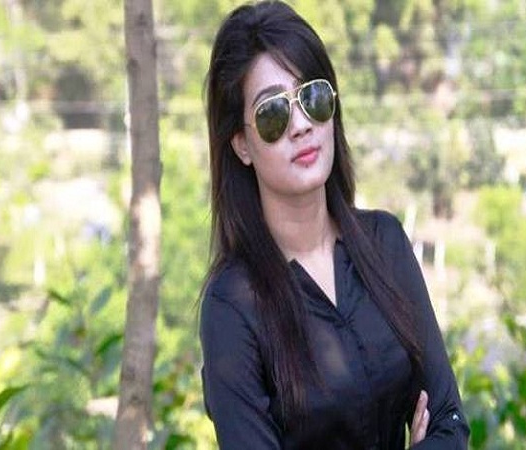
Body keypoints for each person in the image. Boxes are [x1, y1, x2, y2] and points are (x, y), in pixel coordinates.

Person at [199, 1, 470, 448]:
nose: (301, 125)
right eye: (273, 113)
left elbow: (449, 421)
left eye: (313, 97)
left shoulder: (385, 244)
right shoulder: (232, 307)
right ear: (242, 144)